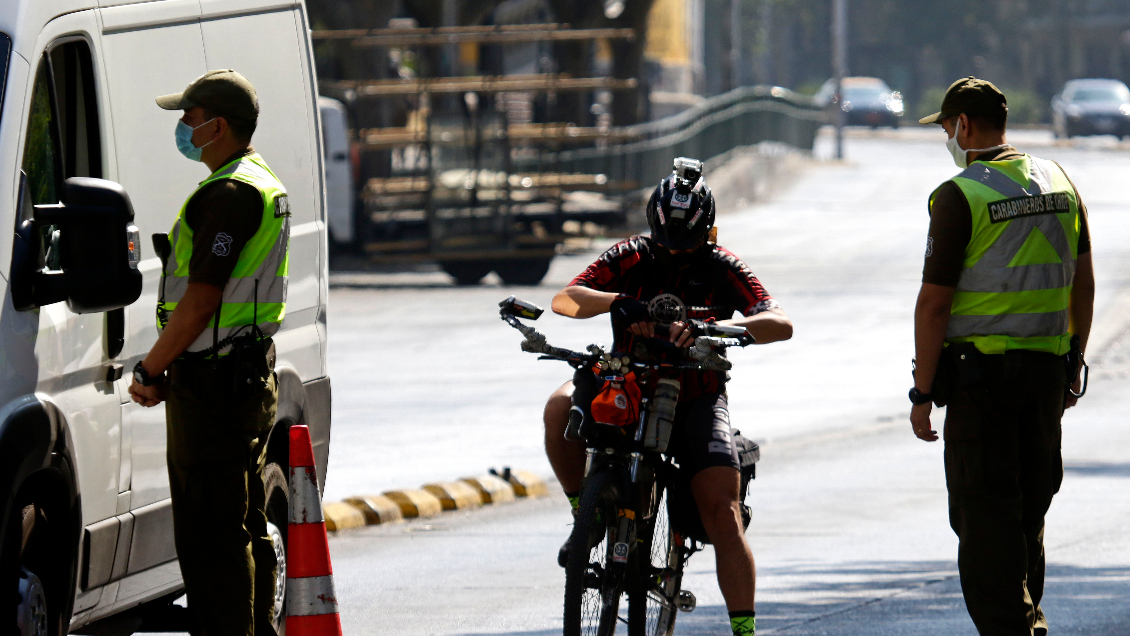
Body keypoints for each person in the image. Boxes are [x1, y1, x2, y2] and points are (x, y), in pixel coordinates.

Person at [544, 158, 793, 636]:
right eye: (665, 245)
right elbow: (566, 299)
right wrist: (619, 302)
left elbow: (779, 322)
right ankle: (587, 514)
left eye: (688, 246)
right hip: (625, 382)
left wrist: (714, 327)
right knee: (558, 407)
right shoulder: (631, 255)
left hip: (695, 396)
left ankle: (745, 630)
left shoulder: (723, 266)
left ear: (709, 232)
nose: (675, 255)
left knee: (723, 510)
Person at [911, 77, 1094, 636]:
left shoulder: (959, 195)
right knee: (1025, 516)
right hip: (1044, 378)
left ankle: (1021, 630)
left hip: (981, 383)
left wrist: (922, 392)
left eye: (946, 127)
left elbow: (935, 305)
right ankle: (1026, 617)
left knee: (985, 525)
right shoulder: (1061, 182)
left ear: (964, 125)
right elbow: (1082, 285)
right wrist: (1072, 363)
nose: (947, 137)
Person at [127, 69, 291, 636]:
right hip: (244, 373)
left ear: (217, 126)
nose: (182, 128)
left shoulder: (228, 195)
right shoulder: (260, 180)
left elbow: (199, 302)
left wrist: (152, 366)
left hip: (216, 383)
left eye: (189, 119)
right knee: (242, 525)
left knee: (211, 539)